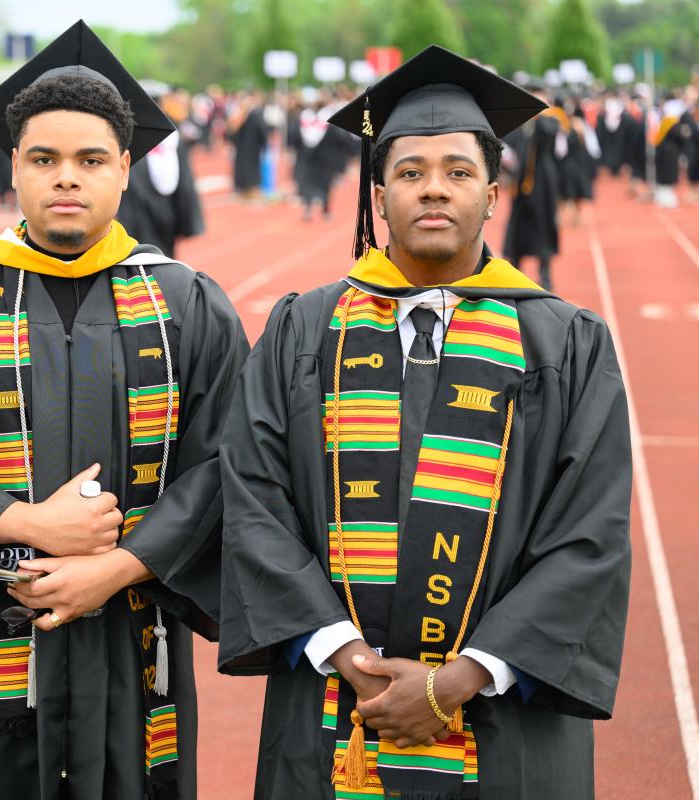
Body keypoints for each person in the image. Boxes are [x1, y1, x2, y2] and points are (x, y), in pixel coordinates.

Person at [219, 45, 631, 799]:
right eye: (409, 173)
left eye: (458, 171)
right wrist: (346, 653)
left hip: (505, 725)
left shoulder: (566, 343)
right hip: (338, 707)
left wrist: (460, 679)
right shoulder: (303, 331)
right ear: (379, 195)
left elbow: (589, 533)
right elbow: (253, 498)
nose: (433, 190)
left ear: (494, 193)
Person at [0, 21, 248, 800]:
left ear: (125, 170)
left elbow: (225, 467)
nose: (66, 178)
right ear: (13, 167)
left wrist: (117, 567)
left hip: (131, 633)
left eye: (90, 160)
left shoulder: (187, 303)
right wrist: (25, 525)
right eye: (44, 160)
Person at [118, 85, 205, 258]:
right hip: (165, 212)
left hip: (139, 215)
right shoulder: (173, 136)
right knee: (162, 259)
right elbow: (185, 183)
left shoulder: (127, 137)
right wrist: (187, 218)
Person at [503, 85, 564, 290]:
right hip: (521, 186)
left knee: (543, 228)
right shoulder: (520, 123)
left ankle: (545, 276)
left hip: (543, 185)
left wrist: (541, 113)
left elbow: (551, 137)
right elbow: (505, 145)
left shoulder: (551, 121)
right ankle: (515, 273)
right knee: (518, 228)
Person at [229, 89, 268, 199]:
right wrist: (264, 144)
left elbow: (231, 132)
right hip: (252, 147)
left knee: (244, 167)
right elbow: (262, 131)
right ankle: (250, 190)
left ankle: (243, 189)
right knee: (251, 169)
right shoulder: (255, 113)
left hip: (242, 146)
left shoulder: (241, 112)